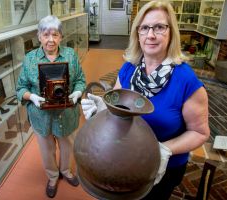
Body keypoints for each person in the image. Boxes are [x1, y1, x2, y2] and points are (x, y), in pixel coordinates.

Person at [81, 1, 210, 199]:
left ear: (171, 32)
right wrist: (104, 111)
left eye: (159, 27)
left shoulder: (186, 80)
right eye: (145, 28)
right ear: (137, 33)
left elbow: (200, 132)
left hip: (161, 170)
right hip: (123, 159)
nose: (151, 35)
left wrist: (166, 149)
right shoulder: (128, 69)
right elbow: (118, 107)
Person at [16, 15, 86, 198]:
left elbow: (80, 80)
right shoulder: (30, 59)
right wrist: (31, 97)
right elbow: (20, 88)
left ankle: (65, 171)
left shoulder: (70, 54)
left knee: (67, 146)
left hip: (66, 112)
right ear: (39, 36)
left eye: (55, 35)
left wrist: (78, 92)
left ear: (61, 37)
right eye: (46, 35)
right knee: (47, 150)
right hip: (41, 116)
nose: (50, 40)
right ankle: (53, 176)